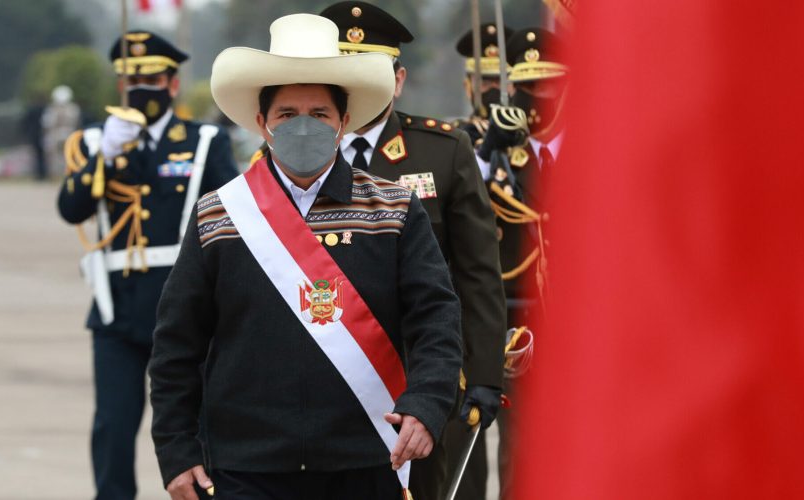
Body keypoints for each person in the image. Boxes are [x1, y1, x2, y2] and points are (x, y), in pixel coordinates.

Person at [149, 13, 462, 500]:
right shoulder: (219, 214)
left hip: (367, 459)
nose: (302, 127)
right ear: (262, 123)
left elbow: (436, 318)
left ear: (342, 123)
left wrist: (427, 402)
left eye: (318, 115)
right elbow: (176, 345)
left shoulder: (394, 208)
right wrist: (175, 450)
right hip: (245, 466)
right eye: (286, 114)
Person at [318, 3, 506, 499]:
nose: (358, 85)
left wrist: (484, 373)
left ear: (398, 79)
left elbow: (477, 273)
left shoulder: (443, 151)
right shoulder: (301, 155)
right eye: (344, 71)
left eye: (372, 72)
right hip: (332, 373)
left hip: (425, 374)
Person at [56, 30, 238, 500]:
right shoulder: (98, 141)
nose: (141, 89)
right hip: (117, 310)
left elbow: (233, 214)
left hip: (183, 308)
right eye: (130, 80)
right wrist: (104, 155)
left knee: (195, 427)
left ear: (172, 84)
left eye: (152, 78)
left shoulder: (202, 141)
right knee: (113, 427)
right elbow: (71, 208)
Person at [474, 27, 568, 500]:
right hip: (521, 319)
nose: (538, 98)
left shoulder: (601, 142)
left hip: (587, 318)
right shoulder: (491, 151)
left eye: (549, 85)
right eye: (528, 87)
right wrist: (489, 151)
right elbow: (459, 206)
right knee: (520, 444)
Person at [452, 22, 513, 148]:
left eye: (501, 81)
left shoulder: (528, 135)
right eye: (485, 82)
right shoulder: (455, 136)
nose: (495, 88)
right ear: (467, 87)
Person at [42, 85, 81, 181]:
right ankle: (57, 174)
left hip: (66, 134)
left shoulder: (71, 109)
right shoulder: (72, 109)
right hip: (59, 135)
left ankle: (66, 173)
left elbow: (47, 124)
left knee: (67, 155)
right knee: (55, 156)